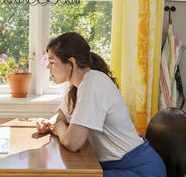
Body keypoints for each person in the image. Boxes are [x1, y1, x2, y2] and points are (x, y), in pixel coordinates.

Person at [36, 32, 166, 177]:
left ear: (71, 63)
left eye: (52, 62)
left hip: (139, 169)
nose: (48, 67)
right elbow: (62, 114)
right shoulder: (77, 86)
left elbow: (73, 143)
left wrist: (59, 128)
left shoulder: (93, 83)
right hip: (113, 164)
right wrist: (49, 122)